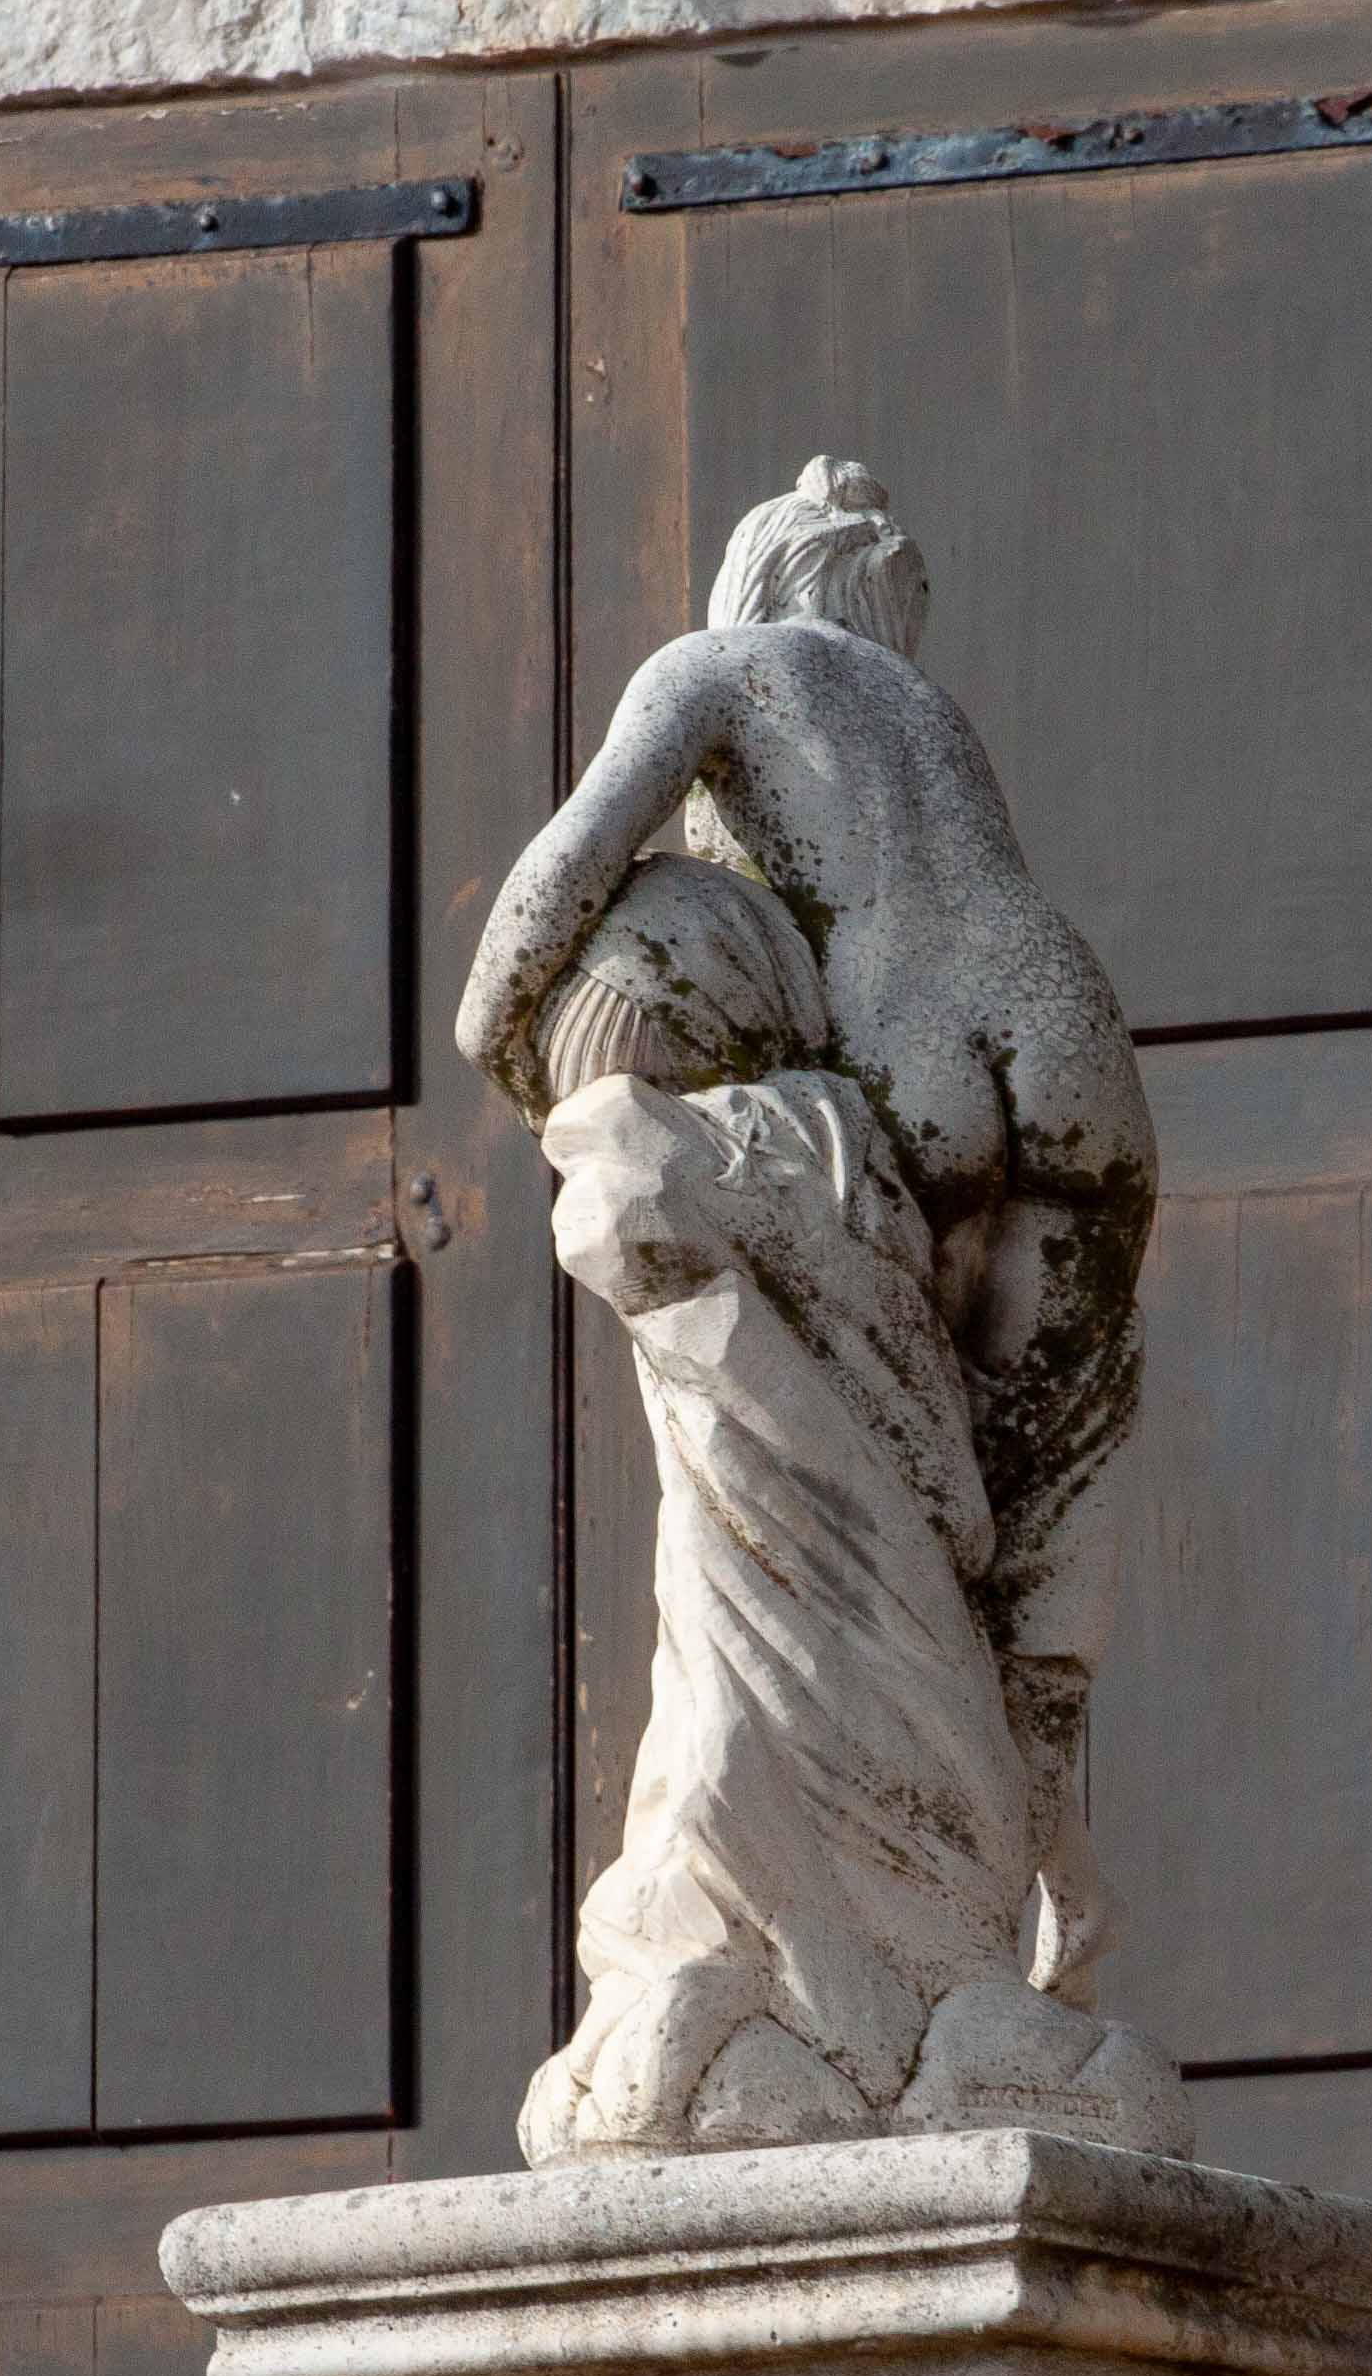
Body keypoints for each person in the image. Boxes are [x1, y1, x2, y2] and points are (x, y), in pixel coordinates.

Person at [457, 459, 1158, 2012]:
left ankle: (917, 1948)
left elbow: (559, 877)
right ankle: (1017, 1935)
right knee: (1030, 1538)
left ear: (756, 594)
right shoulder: (932, 727)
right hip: (1068, 1043)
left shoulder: (722, 669)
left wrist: (509, 1048)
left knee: (918, 1501)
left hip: (909, 1068)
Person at [508, 855, 1182, 2164]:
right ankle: (852, 2022)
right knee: (732, 1792)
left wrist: (566, 1094)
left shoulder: (767, 1140)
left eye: (630, 1036)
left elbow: (617, 1193)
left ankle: (850, 2025)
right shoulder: (825, 1145)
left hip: (825, 1557)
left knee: (729, 1780)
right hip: (817, 1552)